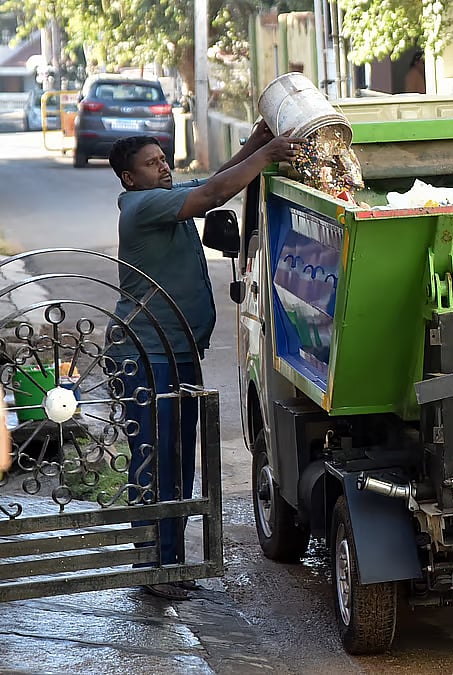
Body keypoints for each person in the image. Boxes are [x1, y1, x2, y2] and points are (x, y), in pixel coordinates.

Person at [107, 122, 297, 601]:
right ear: (130, 179)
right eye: (151, 164)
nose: (164, 166)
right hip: (147, 358)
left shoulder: (164, 196)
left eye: (163, 158)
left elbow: (215, 178)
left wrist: (256, 144)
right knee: (156, 462)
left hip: (177, 353)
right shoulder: (142, 206)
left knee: (178, 462)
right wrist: (270, 154)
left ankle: (169, 563)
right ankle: (153, 566)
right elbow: (213, 192)